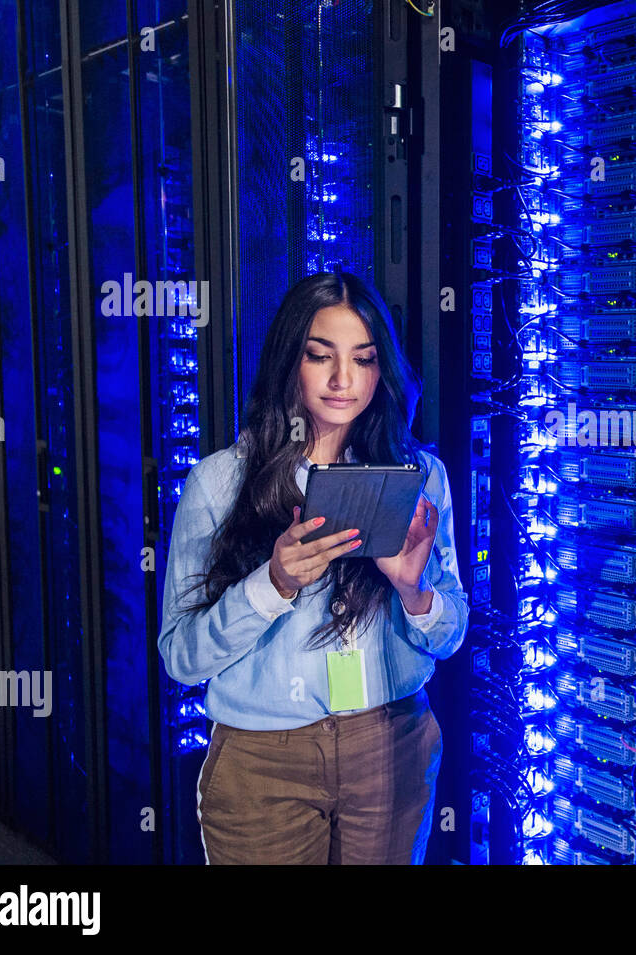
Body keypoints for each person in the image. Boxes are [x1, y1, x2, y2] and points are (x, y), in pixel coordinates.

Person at [157, 270, 468, 864]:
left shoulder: (421, 477)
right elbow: (182, 658)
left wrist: (414, 591)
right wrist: (271, 584)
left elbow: (451, 637)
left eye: (365, 359)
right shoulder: (220, 482)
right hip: (264, 762)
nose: (343, 380)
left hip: (391, 745)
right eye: (319, 356)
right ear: (288, 361)